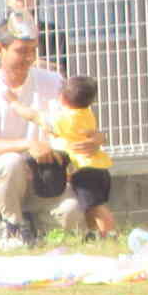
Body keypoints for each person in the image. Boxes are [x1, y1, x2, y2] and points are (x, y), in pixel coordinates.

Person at [0, 25, 64, 249]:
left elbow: (67, 126)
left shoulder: (53, 82)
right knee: (11, 161)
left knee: (71, 215)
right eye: (21, 51)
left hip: (43, 178)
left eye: (33, 50)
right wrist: (28, 145)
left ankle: (37, 228)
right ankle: (12, 227)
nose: (29, 58)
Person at [18, 74, 112, 240]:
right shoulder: (86, 114)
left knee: (96, 207)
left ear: (62, 98)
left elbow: (34, 116)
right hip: (97, 167)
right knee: (89, 206)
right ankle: (94, 235)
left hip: (85, 170)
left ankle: (110, 234)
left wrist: (14, 103)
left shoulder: (65, 119)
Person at [0, 0, 68, 75]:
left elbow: (60, 71)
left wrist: (21, 62)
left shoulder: (53, 33)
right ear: (8, 0)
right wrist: (35, 64)